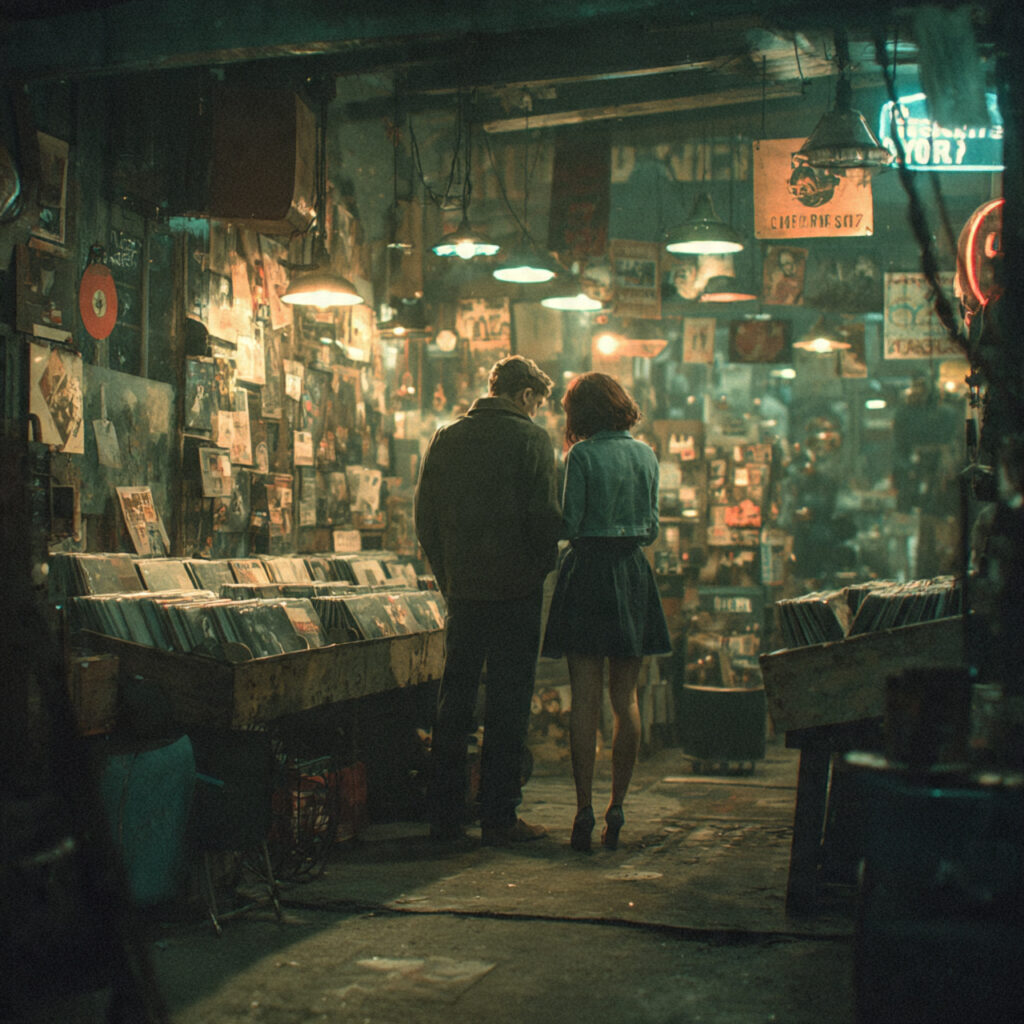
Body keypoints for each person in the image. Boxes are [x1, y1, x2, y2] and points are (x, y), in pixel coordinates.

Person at [414, 354, 562, 846]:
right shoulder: (531, 439)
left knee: (454, 703)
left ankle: (445, 818)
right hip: (516, 594)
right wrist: (537, 569)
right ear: (525, 397)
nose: (538, 412)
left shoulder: (446, 436)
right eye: (538, 403)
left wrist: (448, 575)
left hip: (464, 591)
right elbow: (545, 519)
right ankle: (499, 817)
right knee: (508, 704)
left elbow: (424, 518)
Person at [541, 372, 671, 852]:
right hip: (632, 575)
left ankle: (583, 810)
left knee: (585, 702)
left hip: (588, 575)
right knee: (626, 700)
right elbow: (652, 527)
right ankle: (618, 805)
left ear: (582, 413)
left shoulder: (583, 455)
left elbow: (571, 523)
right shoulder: (646, 455)